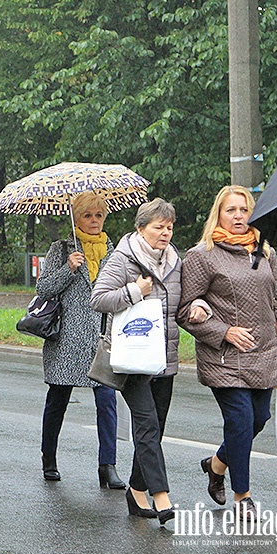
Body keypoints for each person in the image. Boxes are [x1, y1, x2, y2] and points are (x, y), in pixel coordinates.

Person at [177, 185, 277, 522]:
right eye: (231, 210)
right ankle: (243, 497)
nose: (238, 216)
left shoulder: (265, 252)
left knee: (259, 419)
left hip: (265, 355)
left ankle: (217, 464)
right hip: (225, 357)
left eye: (244, 210)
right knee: (240, 420)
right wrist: (224, 332)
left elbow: (276, 304)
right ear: (218, 214)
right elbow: (184, 309)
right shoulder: (202, 255)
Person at [91, 198, 182, 525]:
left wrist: (201, 311)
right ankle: (161, 496)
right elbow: (98, 298)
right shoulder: (122, 259)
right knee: (146, 425)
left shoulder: (174, 260)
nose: (165, 233)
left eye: (169, 227)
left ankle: (136, 491)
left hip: (165, 358)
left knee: (154, 430)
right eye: (158, 227)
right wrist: (135, 290)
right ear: (140, 228)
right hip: (131, 359)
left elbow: (179, 307)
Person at [34, 191, 123, 489]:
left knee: (107, 401)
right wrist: (68, 269)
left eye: (99, 215)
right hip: (67, 340)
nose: (94, 221)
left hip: (101, 337)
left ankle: (107, 465)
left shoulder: (114, 250)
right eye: (88, 215)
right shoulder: (61, 249)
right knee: (57, 400)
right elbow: (44, 289)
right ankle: (49, 457)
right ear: (75, 218)